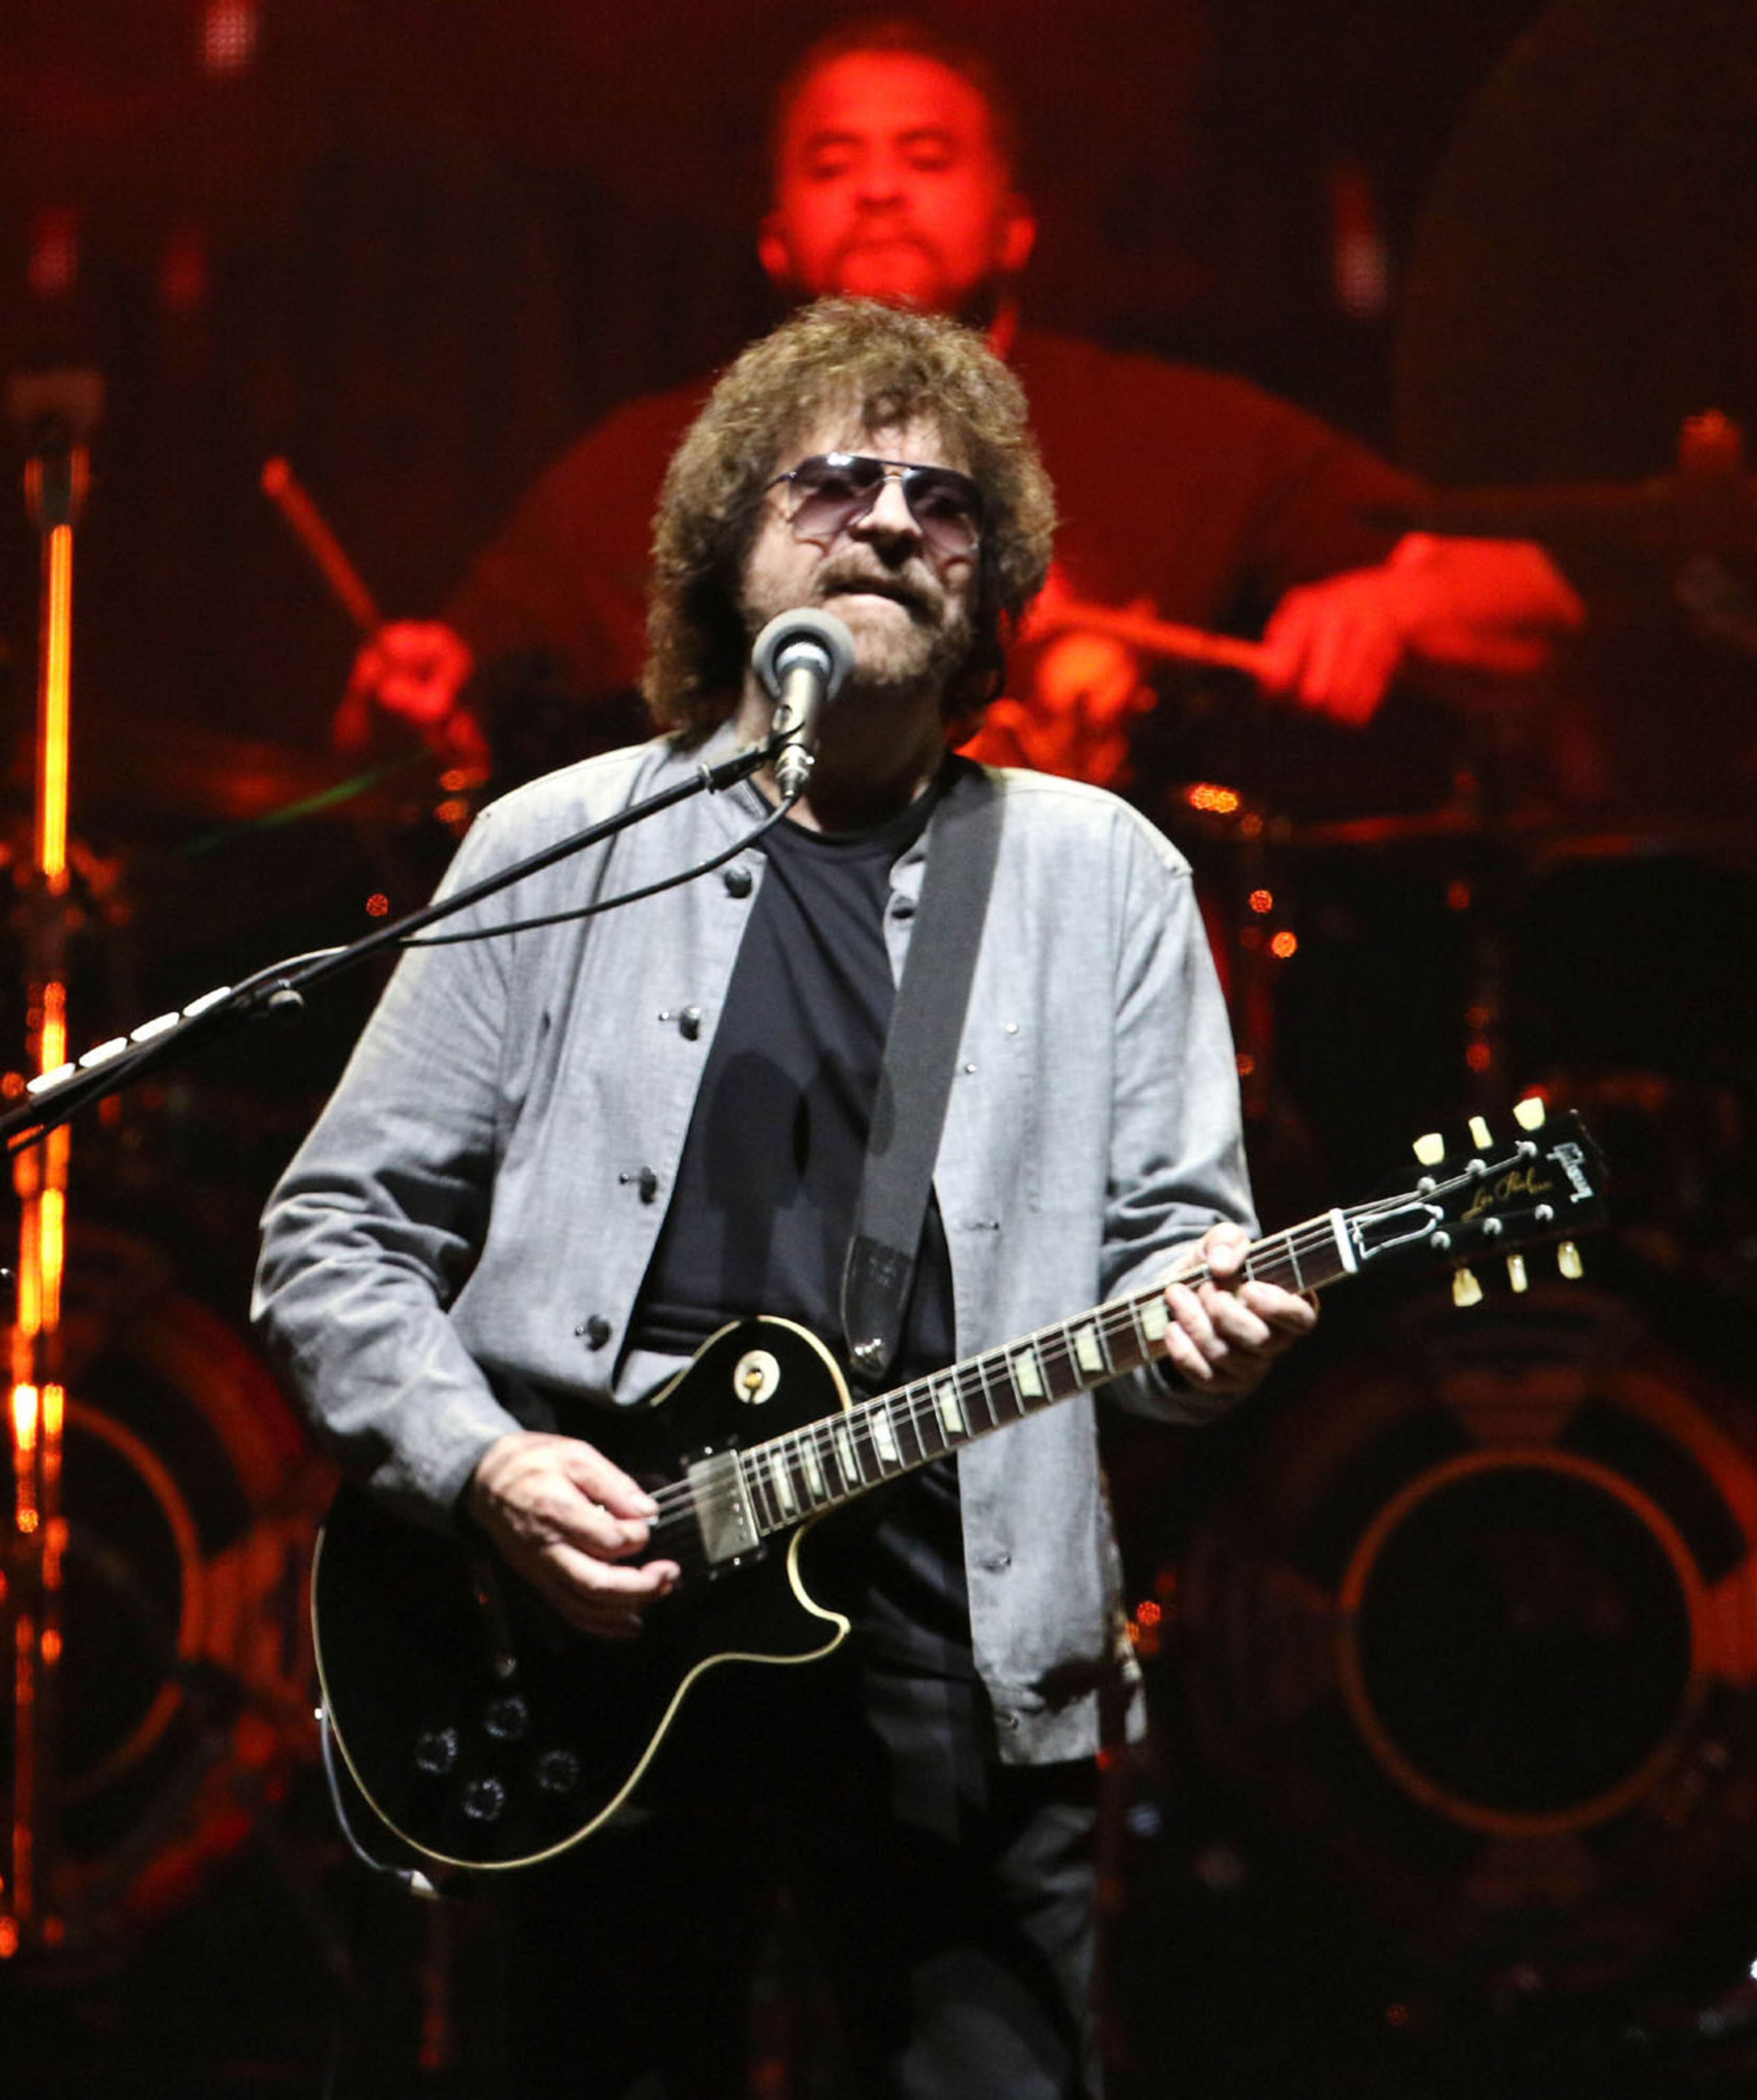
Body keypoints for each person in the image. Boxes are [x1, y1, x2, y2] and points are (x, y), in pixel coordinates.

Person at [256, 296, 1318, 2098]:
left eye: (943, 501)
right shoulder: (552, 848)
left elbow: (1168, 1288)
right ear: (726, 545)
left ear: (991, 583)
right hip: (591, 1634)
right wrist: (486, 1467)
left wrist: (1205, 1339)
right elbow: (332, 1237)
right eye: (833, 482)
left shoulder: (1104, 878)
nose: (891, 518)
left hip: (958, 1657)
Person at [339, 17, 1582, 796]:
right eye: (834, 164)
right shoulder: (633, 472)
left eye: (927, 157)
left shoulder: (1184, 435)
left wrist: (1391, 607)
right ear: (777, 242)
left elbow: (1537, 596)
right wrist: (412, 697)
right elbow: (412, 727)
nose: (880, 190)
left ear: (1015, 227)